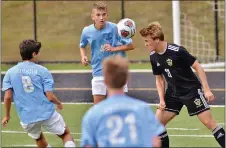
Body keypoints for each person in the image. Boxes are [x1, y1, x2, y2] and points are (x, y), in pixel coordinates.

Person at [139, 22, 225, 148]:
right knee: (156, 125)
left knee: (210, 123)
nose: (145, 44)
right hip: (173, 93)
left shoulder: (178, 51)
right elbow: (159, 80)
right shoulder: (153, 56)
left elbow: (198, 67)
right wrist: (162, 100)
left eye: (147, 41)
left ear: (157, 40)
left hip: (191, 91)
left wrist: (206, 90)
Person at [2, 39, 76, 148]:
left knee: (39, 138)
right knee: (65, 134)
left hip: (27, 118)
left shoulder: (10, 73)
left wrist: (7, 116)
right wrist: (58, 102)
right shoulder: (43, 71)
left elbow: (8, 97)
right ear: (34, 54)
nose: (39, 54)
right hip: (46, 113)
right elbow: (50, 97)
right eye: (38, 52)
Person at [80, 55, 164, 147]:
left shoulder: (93, 114)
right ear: (127, 80)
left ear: (105, 81)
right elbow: (156, 142)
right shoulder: (143, 109)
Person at [79, 1, 134, 104]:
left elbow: (131, 46)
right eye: (98, 15)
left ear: (107, 15)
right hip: (98, 72)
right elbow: (82, 46)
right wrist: (83, 56)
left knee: (118, 108)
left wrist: (114, 49)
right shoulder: (87, 31)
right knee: (98, 108)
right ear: (92, 17)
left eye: (104, 14)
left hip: (116, 73)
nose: (101, 18)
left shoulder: (116, 28)